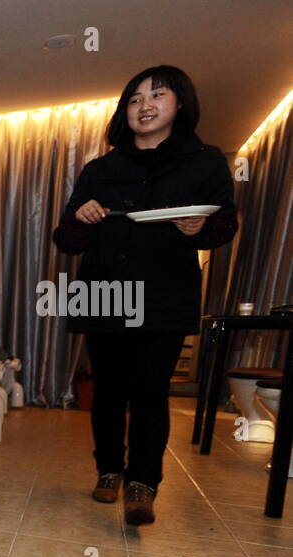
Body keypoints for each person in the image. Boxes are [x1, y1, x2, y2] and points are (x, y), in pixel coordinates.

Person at [53, 64, 237, 525]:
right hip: (103, 292)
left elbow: (224, 224)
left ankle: (143, 483)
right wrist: (83, 216)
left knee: (151, 390)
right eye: (134, 99)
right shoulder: (100, 169)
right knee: (110, 389)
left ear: (180, 104)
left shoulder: (205, 161)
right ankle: (109, 470)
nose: (145, 105)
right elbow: (67, 240)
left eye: (157, 95)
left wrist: (201, 227)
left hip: (165, 292)